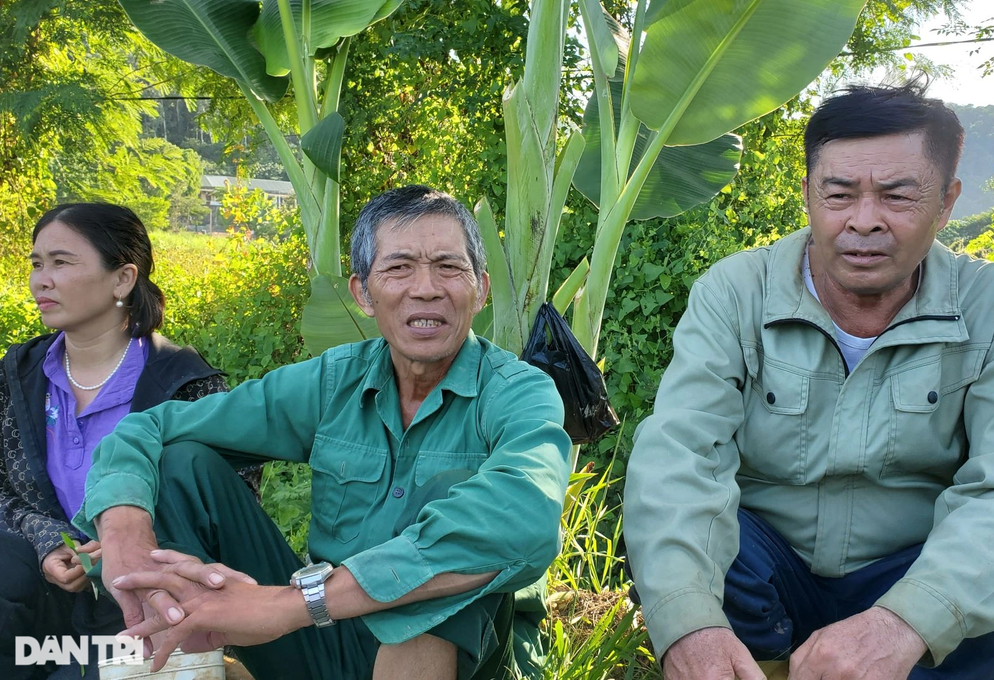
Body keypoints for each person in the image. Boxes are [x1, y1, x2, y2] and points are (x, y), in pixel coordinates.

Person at [70, 185, 572, 680]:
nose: (426, 288)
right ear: (362, 293)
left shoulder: (518, 391)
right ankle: (181, 663)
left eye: (449, 267)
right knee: (181, 464)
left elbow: (524, 515)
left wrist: (288, 605)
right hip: (326, 636)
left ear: (480, 288)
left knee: (459, 515)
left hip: (463, 657)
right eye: (398, 267)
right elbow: (151, 427)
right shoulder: (333, 381)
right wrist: (123, 530)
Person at [623, 82, 994, 680]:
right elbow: (680, 457)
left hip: (913, 569)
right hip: (768, 574)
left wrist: (907, 621)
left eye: (897, 196)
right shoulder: (734, 292)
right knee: (706, 556)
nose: (864, 222)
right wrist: (688, 625)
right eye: (838, 194)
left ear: (946, 203)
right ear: (807, 194)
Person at [0, 203, 256, 679]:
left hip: (146, 602)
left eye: (61, 262)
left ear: (122, 279)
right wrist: (44, 541)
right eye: (36, 264)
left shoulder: (186, 385)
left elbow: (225, 510)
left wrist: (123, 541)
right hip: (42, 599)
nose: (40, 280)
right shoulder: (18, 376)